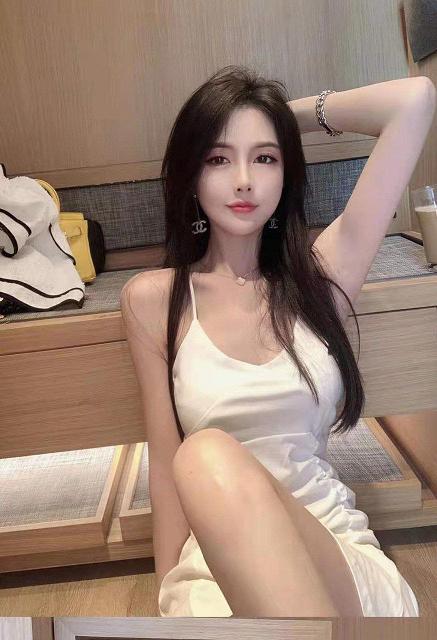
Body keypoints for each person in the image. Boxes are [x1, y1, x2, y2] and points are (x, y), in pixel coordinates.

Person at [121, 65, 436, 617]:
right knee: (200, 459)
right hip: (217, 565)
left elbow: (413, 101)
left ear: (287, 172)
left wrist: (282, 116)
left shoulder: (321, 279)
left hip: (334, 556)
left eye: (265, 158)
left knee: (206, 455)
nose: (244, 179)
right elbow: (166, 463)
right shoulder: (155, 301)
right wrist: (169, 590)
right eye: (219, 159)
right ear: (192, 176)